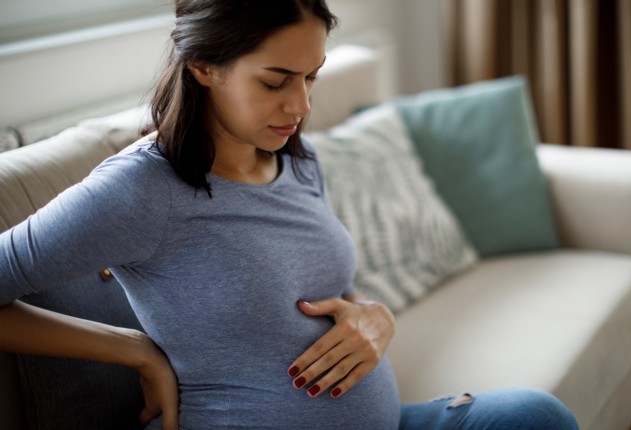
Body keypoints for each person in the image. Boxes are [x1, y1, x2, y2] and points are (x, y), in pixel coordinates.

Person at [0, 1, 580, 429]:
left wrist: (374, 317)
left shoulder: (297, 161)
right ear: (203, 65)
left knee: (537, 415)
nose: (301, 106)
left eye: (311, 77)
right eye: (275, 81)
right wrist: (134, 349)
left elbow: (335, 292)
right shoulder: (142, 188)